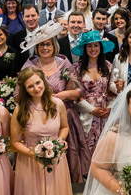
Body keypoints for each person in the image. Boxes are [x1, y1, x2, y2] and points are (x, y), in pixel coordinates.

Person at [11, 67, 74, 195]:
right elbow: (15, 142)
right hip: (31, 165)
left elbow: (64, 127)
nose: (36, 88)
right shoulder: (20, 110)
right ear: (25, 89)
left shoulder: (58, 104)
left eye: (38, 83)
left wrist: (59, 142)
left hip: (56, 163)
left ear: (44, 82)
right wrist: (35, 154)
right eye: (30, 86)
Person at [21, 22, 87, 183]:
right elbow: (18, 94)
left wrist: (66, 94)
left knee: (65, 154)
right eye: (41, 45)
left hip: (63, 116)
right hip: (37, 118)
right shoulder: (29, 65)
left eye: (48, 44)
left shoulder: (63, 63)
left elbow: (80, 91)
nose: (45, 48)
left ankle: (63, 184)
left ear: (54, 45)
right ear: (37, 47)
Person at [72, 31, 116, 157]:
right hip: (85, 114)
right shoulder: (77, 68)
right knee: (86, 149)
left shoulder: (108, 66)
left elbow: (113, 91)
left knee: (106, 149)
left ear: (100, 47)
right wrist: (92, 110)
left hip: (105, 113)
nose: (93, 49)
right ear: (84, 48)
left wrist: (109, 108)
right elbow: (75, 96)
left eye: (96, 45)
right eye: (89, 46)